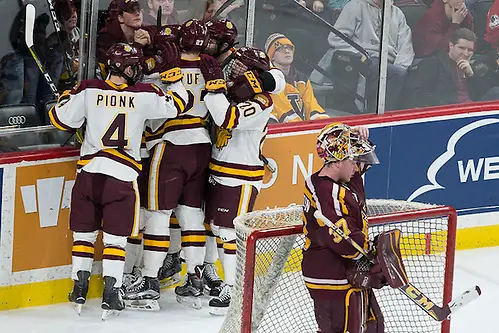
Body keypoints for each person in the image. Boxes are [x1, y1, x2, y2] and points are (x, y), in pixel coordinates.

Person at [48, 42, 187, 318]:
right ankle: (111, 294)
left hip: (89, 174)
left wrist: (66, 98)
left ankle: (79, 289)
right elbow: (179, 105)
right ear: (124, 68)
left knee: (84, 235)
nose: (138, 70)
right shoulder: (145, 94)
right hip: (121, 178)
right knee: (115, 241)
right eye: (134, 65)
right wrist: (175, 75)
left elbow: (59, 120)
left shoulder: (89, 89)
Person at [124, 19, 211, 310]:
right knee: (191, 216)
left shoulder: (162, 67)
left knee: (158, 215)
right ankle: (195, 280)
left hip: (170, 145)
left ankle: (149, 283)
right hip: (201, 145)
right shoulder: (212, 67)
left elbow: (141, 98)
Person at [200, 46, 275, 315]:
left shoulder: (263, 101)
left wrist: (214, 87)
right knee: (214, 228)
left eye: (241, 65)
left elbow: (227, 117)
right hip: (219, 169)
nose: (234, 68)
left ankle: (235, 288)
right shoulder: (236, 90)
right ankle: (211, 274)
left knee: (230, 232)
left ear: (254, 73)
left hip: (241, 175)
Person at [301, 122, 386, 333]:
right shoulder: (322, 189)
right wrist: (370, 255)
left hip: (348, 269)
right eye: (353, 159)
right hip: (328, 277)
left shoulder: (349, 178)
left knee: (373, 326)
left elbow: (366, 162)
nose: (357, 165)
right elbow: (342, 238)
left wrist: (361, 139)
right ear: (337, 162)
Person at [315, 0, 414, 111]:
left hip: (390, 62)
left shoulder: (398, 14)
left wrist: (401, 65)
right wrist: (360, 54)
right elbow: (336, 38)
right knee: (396, 73)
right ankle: (381, 118)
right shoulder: (355, 6)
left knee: (406, 72)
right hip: (364, 58)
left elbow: (406, 46)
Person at [403, 28, 481, 108]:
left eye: (470, 50)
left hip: (474, 111)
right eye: (461, 48)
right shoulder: (433, 63)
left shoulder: (472, 67)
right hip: (449, 112)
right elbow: (420, 95)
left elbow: (482, 96)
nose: (466, 53)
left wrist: (471, 75)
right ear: (451, 45)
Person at [264, 33, 329, 123]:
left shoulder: (302, 79)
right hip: (279, 132)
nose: (287, 51)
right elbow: (283, 113)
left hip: (300, 131)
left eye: (289, 47)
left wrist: (324, 124)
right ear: (272, 56)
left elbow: (312, 107)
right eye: (280, 48)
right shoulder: (268, 81)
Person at [96, 0, 154, 76]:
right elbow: (117, 70)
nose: (137, 14)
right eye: (131, 11)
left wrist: (150, 46)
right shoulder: (107, 37)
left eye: (138, 10)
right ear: (121, 18)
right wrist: (137, 46)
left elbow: (151, 64)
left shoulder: (145, 32)